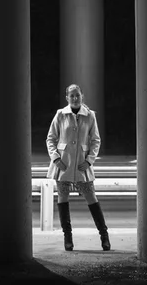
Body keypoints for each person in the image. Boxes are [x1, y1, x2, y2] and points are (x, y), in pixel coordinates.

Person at [46, 83, 110, 251]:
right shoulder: (60, 115)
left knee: (92, 199)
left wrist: (89, 160)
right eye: (71, 96)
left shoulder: (90, 116)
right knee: (63, 199)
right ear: (67, 98)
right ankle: (68, 237)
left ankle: (104, 235)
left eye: (77, 95)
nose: (75, 98)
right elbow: (50, 139)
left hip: (82, 165)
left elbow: (96, 140)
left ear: (82, 96)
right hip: (63, 165)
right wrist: (55, 158)